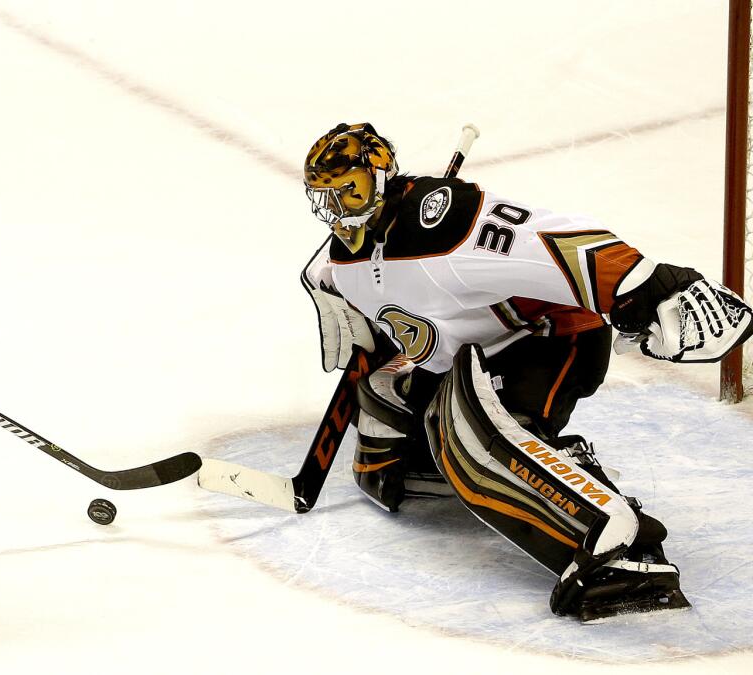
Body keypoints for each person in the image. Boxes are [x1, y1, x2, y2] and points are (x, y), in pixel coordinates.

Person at [299, 122, 753, 621]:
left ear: (381, 178)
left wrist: (649, 286)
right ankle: (542, 459)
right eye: (325, 199)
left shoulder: (441, 221)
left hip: (548, 336)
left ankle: (618, 547)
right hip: (471, 351)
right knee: (385, 430)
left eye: (349, 192)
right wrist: (330, 290)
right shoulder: (340, 262)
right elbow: (343, 273)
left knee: (468, 432)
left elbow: (546, 236)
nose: (337, 212)